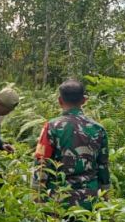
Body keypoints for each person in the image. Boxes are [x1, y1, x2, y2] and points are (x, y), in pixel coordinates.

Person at [34, 79, 110, 210]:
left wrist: (37, 196)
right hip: (90, 200)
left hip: (58, 200)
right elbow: (103, 166)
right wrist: (106, 194)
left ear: (60, 100)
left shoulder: (51, 127)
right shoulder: (98, 129)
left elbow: (41, 163)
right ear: (84, 100)